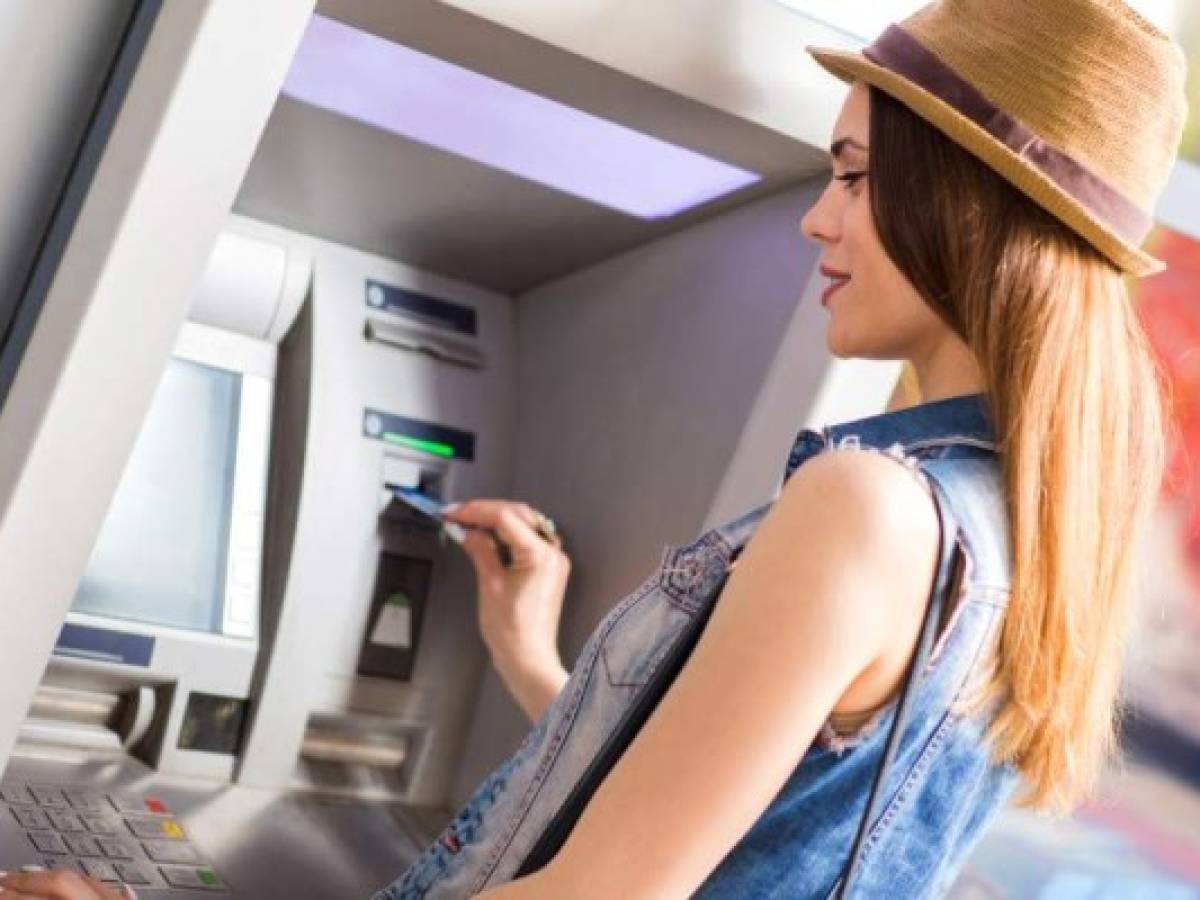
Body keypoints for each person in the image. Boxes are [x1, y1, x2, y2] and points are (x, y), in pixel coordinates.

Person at [3, 0, 1186, 898]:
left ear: (965, 209)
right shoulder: (1012, 530)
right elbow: (745, 825)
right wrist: (533, 658)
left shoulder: (869, 507)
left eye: (857, 177)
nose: (817, 217)